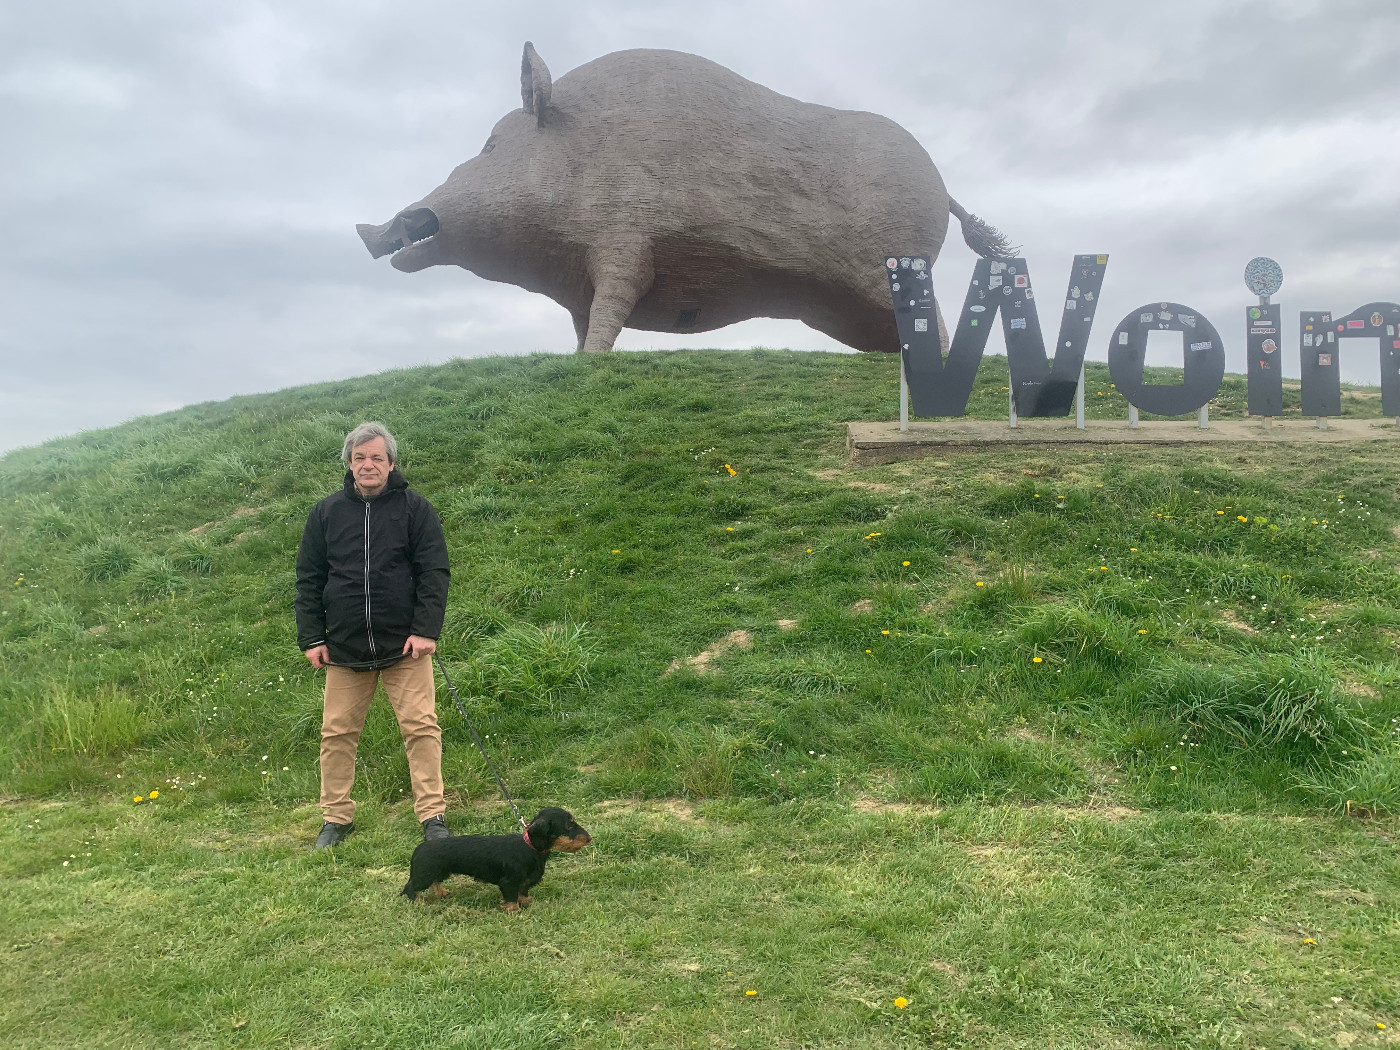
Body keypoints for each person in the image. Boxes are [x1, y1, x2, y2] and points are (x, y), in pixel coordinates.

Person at [295, 422, 452, 849]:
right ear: (349, 464)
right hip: (344, 649)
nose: (368, 465)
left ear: (391, 464)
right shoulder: (326, 513)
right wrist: (312, 638)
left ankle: (432, 815)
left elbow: (434, 573)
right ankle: (335, 818)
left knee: (421, 728)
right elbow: (308, 580)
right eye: (360, 458)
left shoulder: (415, 509)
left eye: (376, 458)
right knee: (336, 734)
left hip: (405, 647)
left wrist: (424, 630)